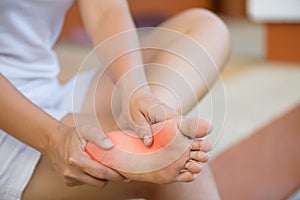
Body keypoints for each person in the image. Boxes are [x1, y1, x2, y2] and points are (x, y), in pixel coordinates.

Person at [0, 0, 230, 199]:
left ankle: (150, 124)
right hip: (9, 124)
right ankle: (150, 144)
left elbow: (106, 10)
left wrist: (136, 92)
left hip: (45, 92)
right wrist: (54, 139)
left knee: (206, 27)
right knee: (179, 174)